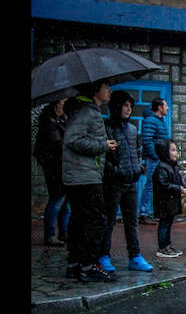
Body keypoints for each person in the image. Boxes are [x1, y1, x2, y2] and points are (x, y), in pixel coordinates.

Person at [62, 80, 117, 282]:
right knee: (96, 219)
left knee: (80, 219)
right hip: (84, 176)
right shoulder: (86, 111)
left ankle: (75, 263)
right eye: (105, 86)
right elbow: (73, 139)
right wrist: (102, 145)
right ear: (95, 89)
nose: (109, 90)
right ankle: (88, 264)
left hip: (80, 175)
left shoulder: (84, 109)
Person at [100, 90, 153, 273]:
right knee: (109, 221)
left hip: (131, 182)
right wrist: (115, 171)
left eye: (130, 106)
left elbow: (136, 151)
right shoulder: (106, 128)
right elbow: (103, 158)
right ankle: (103, 255)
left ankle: (135, 256)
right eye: (125, 105)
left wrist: (139, 166)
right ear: (116, 106)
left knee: (132, 221)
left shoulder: (131, 129)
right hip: (113, 183)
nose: (128, 109)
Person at [34, 98, 70, 246]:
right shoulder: (49, 123)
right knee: (57, 200)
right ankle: (50, 234)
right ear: (56, 103)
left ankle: (63, 232)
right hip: (55, 167)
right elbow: (57, 145)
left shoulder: (60, 121)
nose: (65, 104)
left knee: (65, 202)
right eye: (63, 102)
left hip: (63, 166)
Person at [153, 139, 186, 258]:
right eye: (173, 150)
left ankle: (168, 245)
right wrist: (179, 189)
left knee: (168, 223)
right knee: (164, 223)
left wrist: (183, 188)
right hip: (164, 201)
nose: (176, 153)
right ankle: (163, 247)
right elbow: (164, 184)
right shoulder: (162, 167)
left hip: (171, 201)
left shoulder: (172, 167)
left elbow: (177, 181)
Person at [137, 98, 169, 225]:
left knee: (157, 185)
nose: (167, 108)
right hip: (153, 159)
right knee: (150, 185)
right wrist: (155, 155)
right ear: (159, 107)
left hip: (160, 158)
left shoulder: (160, 121)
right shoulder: (150, 121)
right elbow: (147, 140)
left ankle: (153, 211)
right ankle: (144, 213)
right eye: (165, 106)